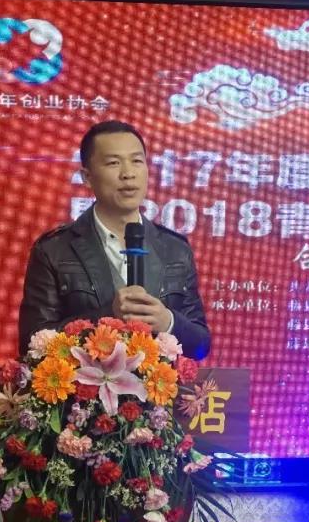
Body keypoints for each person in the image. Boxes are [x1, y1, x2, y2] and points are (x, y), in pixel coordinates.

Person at [18, 120, 210, 359]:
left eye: (137, 161)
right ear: (87, 177)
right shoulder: (54, 250)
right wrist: (107, 316)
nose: (128, 174)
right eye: (113, 163)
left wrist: (168, 321)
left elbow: (201, 345)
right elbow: (32, 343)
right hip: (83, 383)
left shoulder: (175, 249)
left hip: (159, 383)